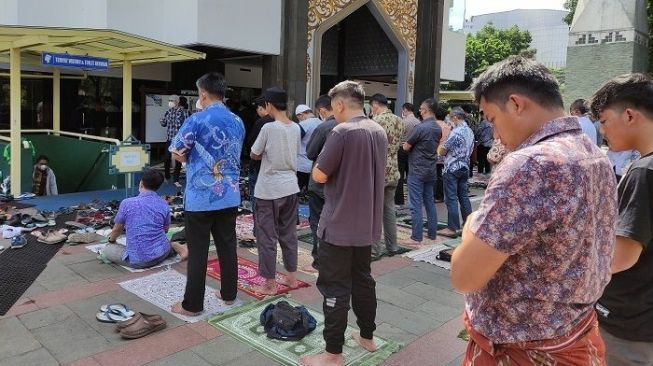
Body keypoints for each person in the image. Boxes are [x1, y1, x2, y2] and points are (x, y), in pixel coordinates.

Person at [451, 56, 616, 364]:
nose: (496, 134)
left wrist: (472, 222)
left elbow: (464, 276)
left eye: (492, 119)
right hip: (573, 330)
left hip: (524, 347)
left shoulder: (531, 163)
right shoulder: (593, 153)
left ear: (516, 103)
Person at [300, 80, 387, 366]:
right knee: (363, 280)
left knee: (334, 287)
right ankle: (367, 336)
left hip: (337, 224)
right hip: (366, 224)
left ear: (338, 104)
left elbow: (320, 175)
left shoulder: (342, 131)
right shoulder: (378, 130)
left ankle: (332, 353)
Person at [169, 72, 245, 316]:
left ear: (203, 93)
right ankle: (229, 294)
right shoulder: (238, 121)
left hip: (201, 196)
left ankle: (192, 305)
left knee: (199, 250)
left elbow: (177, 153)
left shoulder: (197, 119)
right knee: (227, 246)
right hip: (230, 194)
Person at [590, 73, 653, 366]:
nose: (601, 130)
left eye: (603, 120)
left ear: (629, 114)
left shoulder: (643, 171)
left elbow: (620, 257)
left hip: (630, 322)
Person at [250, 87, 301, 295]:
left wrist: (268, 156)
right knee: (288, 234)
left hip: (269, 189)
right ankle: (291, 277)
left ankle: (269, 283)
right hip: (291, 186)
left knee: (267, 237)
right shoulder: (296, 127)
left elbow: (254, 153)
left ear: (269, 105)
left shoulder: (269, 128)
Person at [103, 169, 188, 268]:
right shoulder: (163, 204)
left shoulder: (127, 203)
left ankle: (175, 247)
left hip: (139, 261)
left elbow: (117, 230)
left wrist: (111, 240)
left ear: (141, 183)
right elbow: (165, 230)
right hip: (162, 253)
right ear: (158, 187)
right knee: (164, 243)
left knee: (107, 249)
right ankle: (176, 247)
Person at [400, 98, 441, 248]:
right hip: (430, 170)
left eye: (421, 109)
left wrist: (404, 145)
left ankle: (416, 237)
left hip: (417, 170)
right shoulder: (437, 128)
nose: (420, 111)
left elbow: (406, 146)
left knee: (415, 204)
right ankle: (432, 234)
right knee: (429, 202)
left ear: (425, 110)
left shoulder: (421, 128)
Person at [370, 93, 404, 258]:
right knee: (389, 210)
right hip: (393, 169)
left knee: (374, 211)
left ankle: (375, 249)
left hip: (378, 171)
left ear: (375, 105)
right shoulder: (399, 120)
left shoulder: (375, 122)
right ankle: (393, 246)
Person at [305, 95, 337, 271]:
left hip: (319, 184)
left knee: (317, 222)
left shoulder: (325, 127)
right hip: (340, 185)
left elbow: (311, 153)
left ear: (323, 110)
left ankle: (319, 260)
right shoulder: (352, 126)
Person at [437, 107, 474, 237]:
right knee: (463, 197)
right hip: (465, 167)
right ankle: (468, 225)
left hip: (452, 168)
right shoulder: (469, 131)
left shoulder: (456, 132)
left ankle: (452, 227)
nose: (450, 120)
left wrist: (440, 148)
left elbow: (443, 150)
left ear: (455, 117)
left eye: (451, 118)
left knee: (451, 198)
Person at [245, 97, 274, 240]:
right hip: (277, 169)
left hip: (259, 167)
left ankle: (259, 230)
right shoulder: (289, 124)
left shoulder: (262, 123)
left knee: (258, 200)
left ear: (264, 107)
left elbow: (253, 147)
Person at [395, 103, 421, 205]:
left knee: (400, 175)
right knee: (412, 175)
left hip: (402, 149)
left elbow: (398, 136)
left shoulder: (403, 122)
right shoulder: (418, 122)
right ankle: (414, 199)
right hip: (414, 150)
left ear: (405, 109)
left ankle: (399, 200)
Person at [160, 94, 188, 186]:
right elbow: (164, 124)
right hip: (170, 139)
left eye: (172, 100)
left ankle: (176, 179)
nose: (170, 102)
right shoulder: (168, 112)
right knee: (167, 158)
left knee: (178, 160)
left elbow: (188, 125)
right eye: (169, 100)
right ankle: (167, 176)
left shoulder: (184, 112)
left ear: (177, 101)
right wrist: (162, 121)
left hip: (180, 140)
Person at [296, 104, 322, 194]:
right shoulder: (321, 123)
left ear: (301, 115)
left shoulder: (302, 124)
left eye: (298, 117)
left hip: (301, 164)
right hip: (316, 164)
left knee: (299, 191)